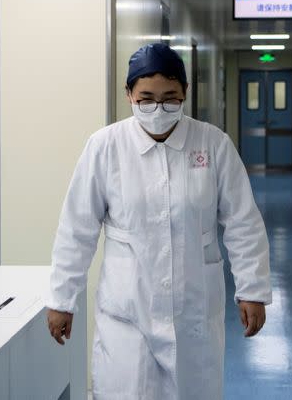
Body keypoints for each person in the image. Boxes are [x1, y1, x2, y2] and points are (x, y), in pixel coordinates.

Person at [45, 43, 272, 400]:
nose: (158, 108)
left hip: (193, 312)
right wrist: (62, 299)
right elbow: (77, 228)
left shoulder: (213, 145)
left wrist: (253, 290)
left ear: (184, 94)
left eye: (170, 98)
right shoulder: (105, 147)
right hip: (127, 312)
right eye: (146, 98)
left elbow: (243, 221)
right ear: (129, 95)